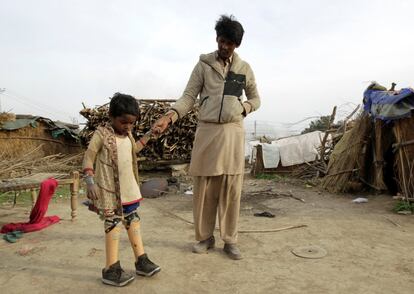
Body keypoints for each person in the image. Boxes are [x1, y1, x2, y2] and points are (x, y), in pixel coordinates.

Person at [152, 15, 260, 260]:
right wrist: (170, 116)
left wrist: (245, 109)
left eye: (229, 43)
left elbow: (256, 98)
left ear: (236, 45)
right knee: (204, 189)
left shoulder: (244, 69)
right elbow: (189, 96)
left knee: (231, 189)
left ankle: (230, 240)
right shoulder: (203, 65)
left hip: (232, 133)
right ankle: (204, 238)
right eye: (221, 41)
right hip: (207, 131)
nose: (224, 46)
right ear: (216, 38)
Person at [83, 93, 160, 287]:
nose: (127, 127)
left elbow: (133, 150)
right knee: (114, 224)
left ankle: (141, 260)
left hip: (129, 188)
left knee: (133, 220)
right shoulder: (101, 134)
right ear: (111, 116)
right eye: (123, 122)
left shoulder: (128, 135)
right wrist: (90, 181)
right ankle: (111, 268)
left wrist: (150, 134)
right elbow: (89, 156)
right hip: (110, 190)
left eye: (131, 123)